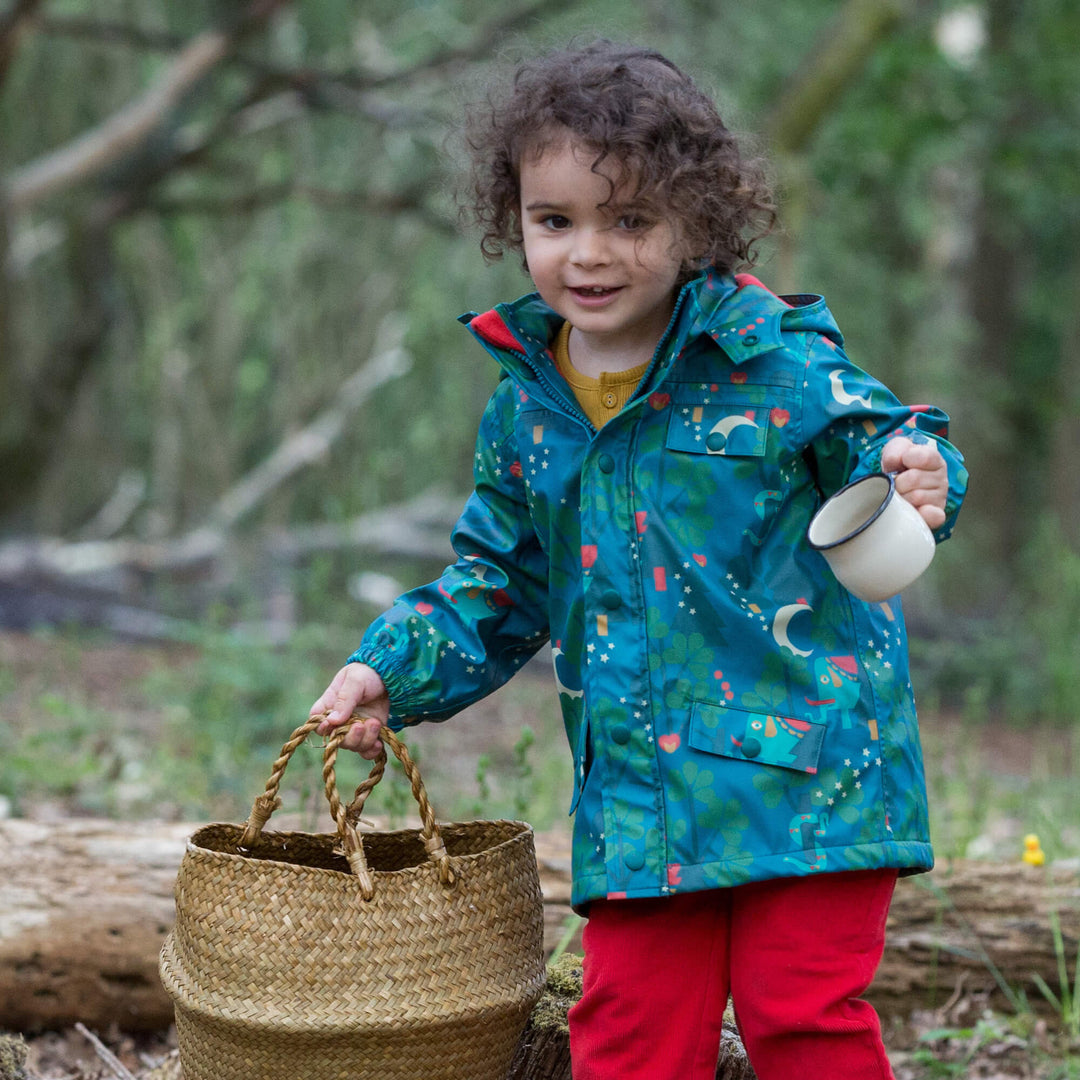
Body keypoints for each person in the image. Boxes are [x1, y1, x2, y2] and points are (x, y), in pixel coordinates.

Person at [311, 40, 968, 1080]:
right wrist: (388, 666)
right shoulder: (528, 404)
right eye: (555, 221)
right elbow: (498, 581)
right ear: (512, 220)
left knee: (802, 1016)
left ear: (694, 224)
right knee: (626, 1033)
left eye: (630, 221)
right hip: (640, 794)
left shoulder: (771, 355)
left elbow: (884, 436)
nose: (589, 254)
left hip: (813, 773)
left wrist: (918, 471)